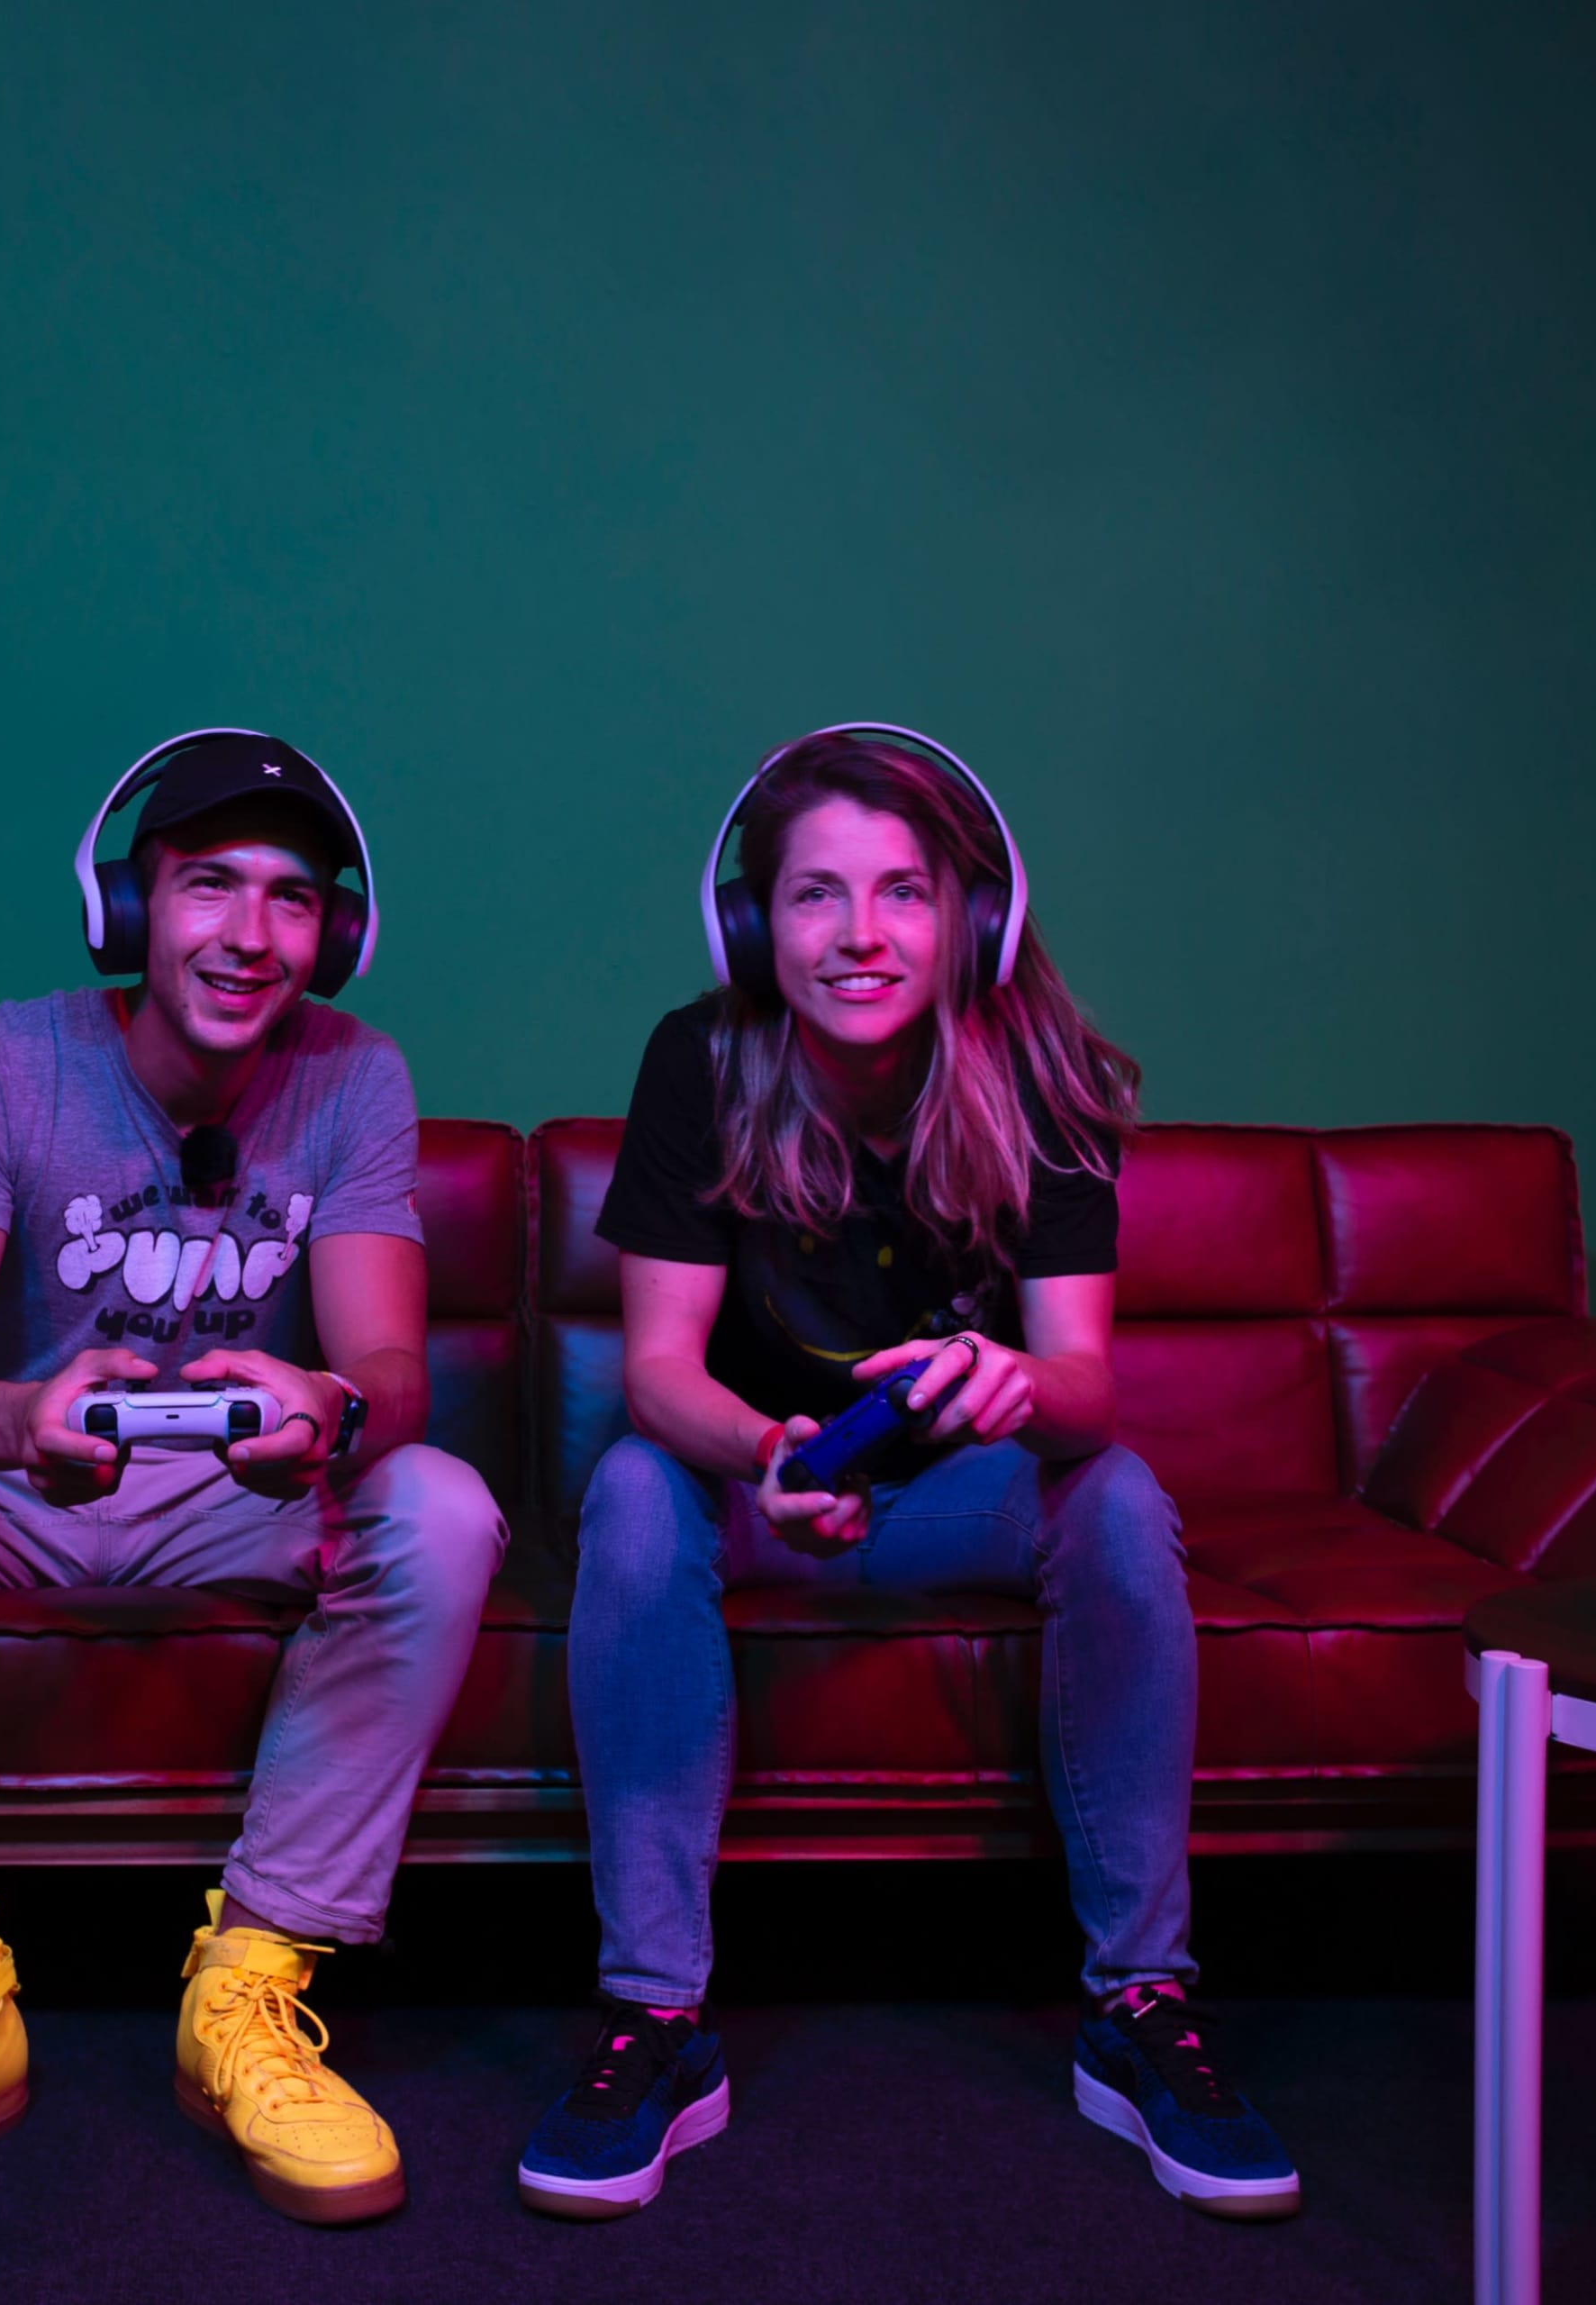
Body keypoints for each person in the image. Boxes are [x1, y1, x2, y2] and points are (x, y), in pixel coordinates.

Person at [0, 731, 506, 2236]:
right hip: (15, 1488)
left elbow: (393, 1374)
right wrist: (17, 1417)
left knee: (441, 1506)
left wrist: (317, 1407)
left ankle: (250, 1984)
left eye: (291, 900)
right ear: (131, 908)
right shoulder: (7, 1063)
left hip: (234, 1500)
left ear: (337, 935)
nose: (250, 936)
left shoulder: (355, 1075)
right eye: (207, 887)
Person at [511, 726, 1301, 2223]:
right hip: (753, 1490)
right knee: (626, 1485)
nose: (859, 936)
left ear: (973, 919)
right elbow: (661, 1368)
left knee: (1119, 1489)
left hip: (959, 1495)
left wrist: (1021, 1384)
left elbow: (1086, 1387)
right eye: (815, 895)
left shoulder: (1047, 1080)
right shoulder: (702, 1056)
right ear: (756, 923)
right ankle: (657, 2022)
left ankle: (1142, 2008)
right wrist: (766, 1451)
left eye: (902, 894)